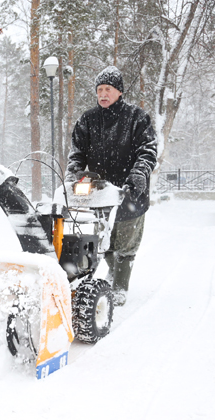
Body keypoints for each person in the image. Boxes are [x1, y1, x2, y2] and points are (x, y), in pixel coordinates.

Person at [65, 65, 157, 306]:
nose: (103, 94)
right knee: (102, 239)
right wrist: (73, 175)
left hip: (129, 192)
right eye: (99, 90)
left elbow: (147, 151)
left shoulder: (136, 118)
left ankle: (119, 286)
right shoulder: (88, 119)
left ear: (119, 92)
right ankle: (112, 272)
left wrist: (138, 176)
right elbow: (77, 153)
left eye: (108, 89)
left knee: (125, 243)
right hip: (98, 193)